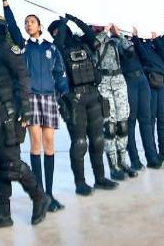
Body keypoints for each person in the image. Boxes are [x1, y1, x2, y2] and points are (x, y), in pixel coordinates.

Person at [0, 12, 49, 229]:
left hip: (7, 114)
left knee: (13, 164)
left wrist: (25, 111)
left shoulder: (6, 50)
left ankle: (39, 197)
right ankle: (3, 214)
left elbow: (23, 77)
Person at [2, 0, 67, 211]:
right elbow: (12, 27)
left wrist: (64, 93)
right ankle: (40, 195)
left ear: (39, 25)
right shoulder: (23, 46)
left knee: (50, 145)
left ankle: (49, 193)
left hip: (49, 98)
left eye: (31, 22)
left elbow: (59, 73)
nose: (28, 25)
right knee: (35, 144)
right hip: (30, 99)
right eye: (26, 22)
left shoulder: (51, 47)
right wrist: (6, 4)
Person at [49, 14, 118, 193]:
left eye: (59, 29)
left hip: (93, 95)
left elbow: (92, 38)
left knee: (98, 140)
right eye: (56, 31)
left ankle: (100, 178)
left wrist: (76, 20)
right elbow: (58, 44)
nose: (59, 33)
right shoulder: (57, 49)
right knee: (80, 143)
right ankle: (80, 183)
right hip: (74, 100)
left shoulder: (82, 43)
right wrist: (63, 24)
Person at [92, 22, 136, 177]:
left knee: (122, 124)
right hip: (103, 83)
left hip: (118, 80)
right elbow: (94, 45)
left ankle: (124, 161)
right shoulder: (92, 39)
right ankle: (113, 165)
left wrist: (118, 34)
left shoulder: (115, 41)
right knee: (109, 127)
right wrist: (103, 32)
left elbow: (130, 50)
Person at [117, 24, 157, 170]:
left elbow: (145, 57)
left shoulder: (133, 40)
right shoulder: (114, 41)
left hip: (142, 80)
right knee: (131, 122)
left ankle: (152, 157)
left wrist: (136, 38)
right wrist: (119, 35)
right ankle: (135, 160)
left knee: (146, 120)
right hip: (128, 81)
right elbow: (127, 51)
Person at [130, 30, 164, 163]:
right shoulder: (138, 45)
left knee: (162, 118)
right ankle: (153, 153)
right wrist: (136, 38)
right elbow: (144, 57)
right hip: (151, 82)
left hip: (160, 81)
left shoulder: (152, 44)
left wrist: (155, 39)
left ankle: (163, 150)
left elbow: (163, 54)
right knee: (151, 119)